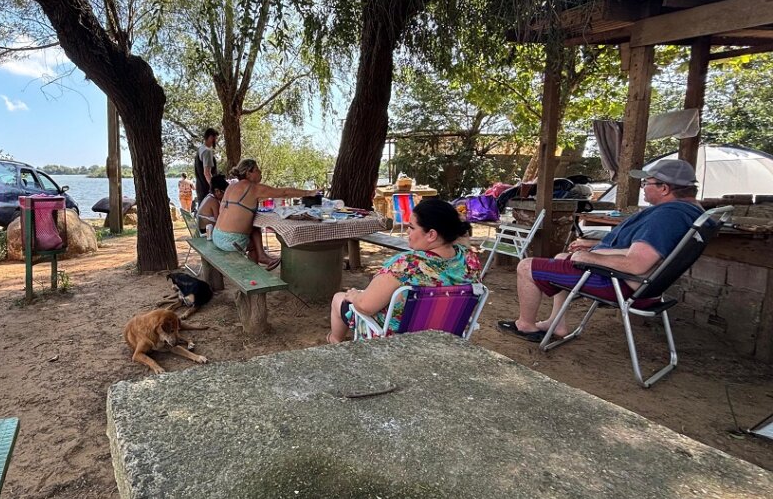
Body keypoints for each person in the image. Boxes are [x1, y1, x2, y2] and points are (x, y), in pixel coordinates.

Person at [498, 159, 704, 342]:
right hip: (644, 286)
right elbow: (642, 250)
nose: (642, 187)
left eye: (646, 182)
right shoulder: (689, 212)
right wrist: (592, 247)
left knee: (526, 266)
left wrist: (589, 257)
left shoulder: (667, 217)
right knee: (562, 257)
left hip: (619, 282)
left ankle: (525, 325)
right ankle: (556, 322)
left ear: (664, 188)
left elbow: (637, 263)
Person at [328, 200, 481, 343]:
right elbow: (463, 240)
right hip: (445, 334)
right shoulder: (469, 260)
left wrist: (355, 296)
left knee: (339, 298)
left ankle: (334, 341)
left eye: (412, 227)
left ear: (431, 235)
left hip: (397, 338)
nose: (408, 231)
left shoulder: (407, 265)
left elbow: (365, 306)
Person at [212, 159, 314, 268]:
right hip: (231, 241)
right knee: (254, 245)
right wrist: (309, 193)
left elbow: (221, 210)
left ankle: (261, 258)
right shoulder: (253, 188)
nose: (260, 172)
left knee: (255, 227)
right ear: (248, 173)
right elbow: (284, 193)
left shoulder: (231, 187)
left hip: (217, 235)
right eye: (257, 170)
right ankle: (254, 273)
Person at [195, 128, 219, 207]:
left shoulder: (200, 149)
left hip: (200, 186)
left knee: (202, 212)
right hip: (206, 188)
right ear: (211, 137)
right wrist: (214, 188)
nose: (215, 142)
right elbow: (207, 173)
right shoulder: (207, 151)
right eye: (215, 139)